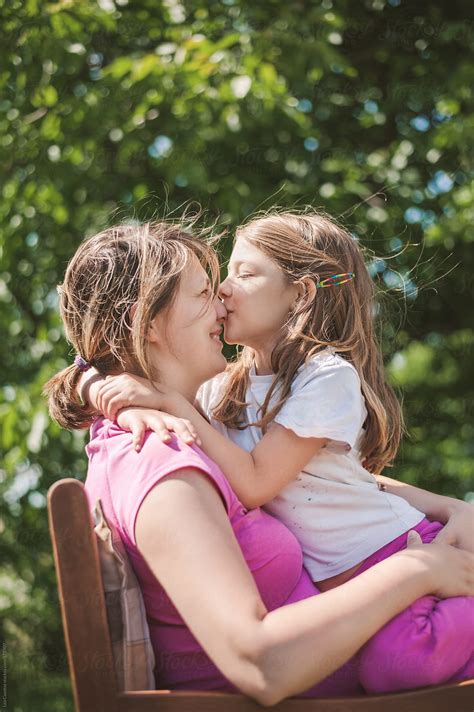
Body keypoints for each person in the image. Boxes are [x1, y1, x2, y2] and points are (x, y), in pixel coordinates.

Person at [45, 220, 474, 704]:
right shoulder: (163, 458)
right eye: (204, 292)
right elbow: (259, 663)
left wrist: (449, 508)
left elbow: (324, 478)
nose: (222, 299)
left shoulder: (186, 424)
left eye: (231, 281)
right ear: (148, 324)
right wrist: (417, 570)